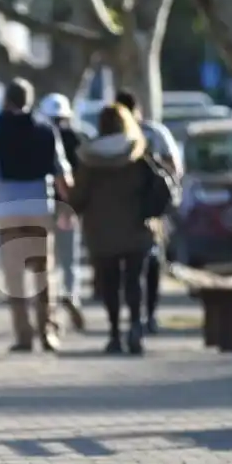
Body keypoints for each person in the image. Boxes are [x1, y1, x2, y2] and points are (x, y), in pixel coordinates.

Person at [0, 79, 72, 353]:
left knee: (14, 276)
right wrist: (69, 205)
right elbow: (62, 171)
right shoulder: (46, 127)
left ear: (6, 100)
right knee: (42, 272)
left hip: (9, 210)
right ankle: (47, 330)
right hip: (40, 208)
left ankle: (24, 335)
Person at [72, 104, 155, 355]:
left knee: (109, 283)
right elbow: (153, 187)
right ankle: (136, 327)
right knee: (134, 280)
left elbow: (78, 197)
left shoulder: (89, 158)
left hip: (101, 231)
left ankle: (115, 334)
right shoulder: (138, 152)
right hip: (136, 227)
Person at [114, 90, 183, 333]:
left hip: (131, 208)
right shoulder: (152, 133)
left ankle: (141, 315)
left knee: (138, 262)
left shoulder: (124, 135)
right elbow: (175, 168)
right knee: (147, 261)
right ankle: (145, 314)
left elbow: (172, 167)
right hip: (148, 208)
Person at [37, 94, 88, 331]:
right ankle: (71, 294)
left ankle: (52, 307)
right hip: (68, 205)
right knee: (69, 258)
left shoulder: (41, 137)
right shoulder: (76, 138)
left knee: (47, 261)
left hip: (44, 204)